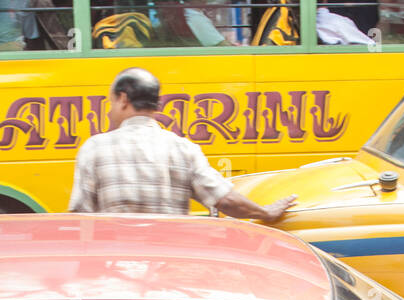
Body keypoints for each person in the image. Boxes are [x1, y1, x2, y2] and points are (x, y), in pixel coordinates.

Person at [68, 67, 297, 220]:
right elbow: (225, 200)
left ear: (123, 99)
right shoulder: (182, 148)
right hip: (167, 268)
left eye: (111, 102)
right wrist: (266, 213)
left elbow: (80, 216)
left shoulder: (94, 148)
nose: (108, 112)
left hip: (116, 270)